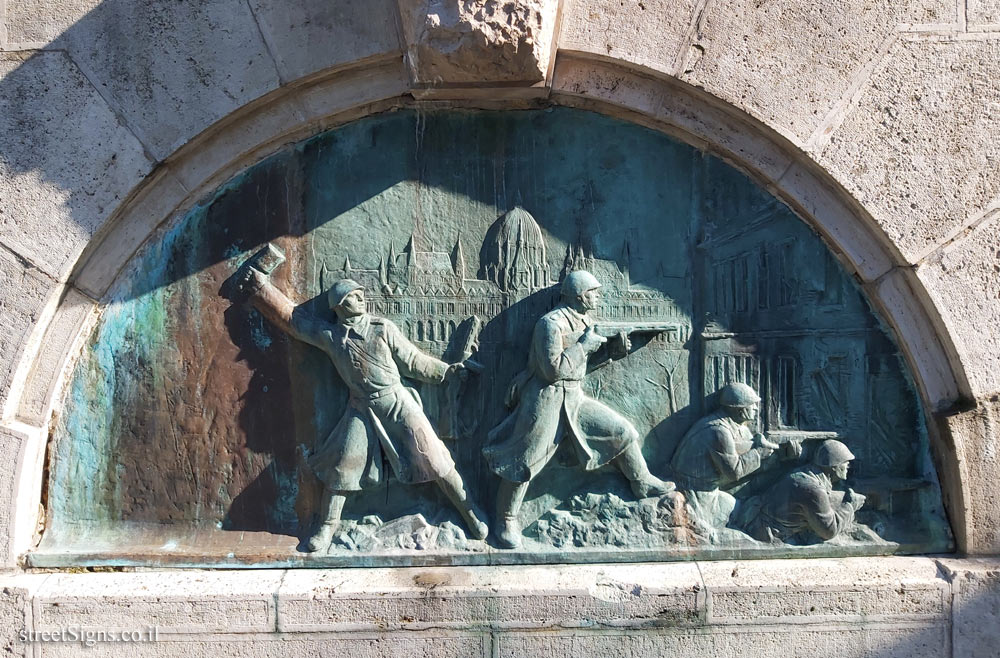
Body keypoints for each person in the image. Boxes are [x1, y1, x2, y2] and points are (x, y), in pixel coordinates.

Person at [238, 266, 488, 552]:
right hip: (362, 409)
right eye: (355, 297)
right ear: (340, 306)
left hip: (397, 402)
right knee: (343, 467)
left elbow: (414, 362)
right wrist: (260, 288)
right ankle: (327, 527)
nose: (362, 300)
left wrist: (447, 372)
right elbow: (295, 321)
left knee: (435, 457)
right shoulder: (331, 337)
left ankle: (471, 513)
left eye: (361, 295)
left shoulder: (383, 329)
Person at [484, 270, 675, 549]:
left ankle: (642, 481)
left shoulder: (584, 320)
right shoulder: (550, 324)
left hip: (573, 397)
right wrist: (585, 346)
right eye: (594, 293)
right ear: (580, 295)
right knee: (525, 460)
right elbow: (552, 371)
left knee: (621, 431)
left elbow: (578, 370)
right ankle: (506, 519)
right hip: (546, 399)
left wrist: (612, 351)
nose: (598, 297)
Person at [669, 382, 778, 529]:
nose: (756, 408)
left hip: (713, 488)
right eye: (752, 404)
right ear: (740, 409)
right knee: (742, 514)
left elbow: (746, 459)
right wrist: (758, 453)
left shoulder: (737, 427)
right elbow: (734, 471)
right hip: (696, 494)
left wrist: (778, 456)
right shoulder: (717, 430)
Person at [742, 439, 866, 543]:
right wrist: (850, 506)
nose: (848, 466)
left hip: (761, 519)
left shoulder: (807, 473)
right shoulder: (813, 489)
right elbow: (829, 531)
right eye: (845, 463)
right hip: (768, 533)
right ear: (833, 466)